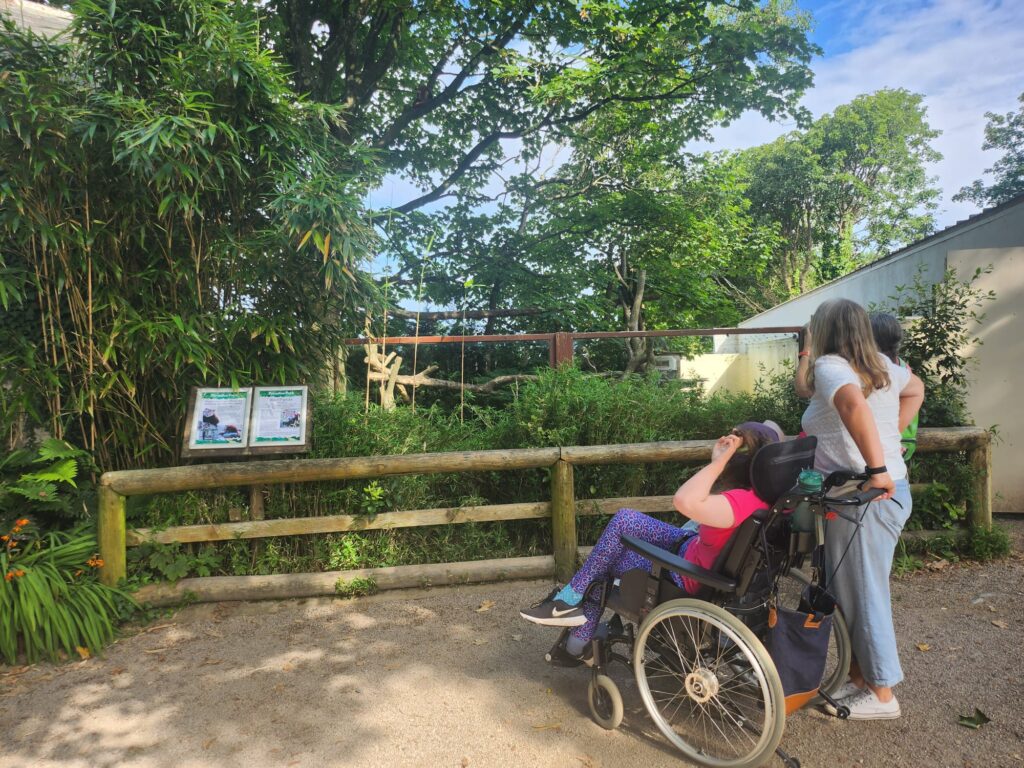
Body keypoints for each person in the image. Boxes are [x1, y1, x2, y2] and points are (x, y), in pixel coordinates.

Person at [519, 421, 783, 663]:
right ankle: (570, 603)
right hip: (692, 549)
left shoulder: (737, 504)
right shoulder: (768, 497)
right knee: (624, 520)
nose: (728, 442)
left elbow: (684, 501)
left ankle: (574, 639)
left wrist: (718, 463)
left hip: (686, 573)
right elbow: (772, 431)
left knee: (606, 567)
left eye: (737, 442)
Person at [797, 298, 924, 720]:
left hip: (868, 495)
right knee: (850, 592)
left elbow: (852, 405)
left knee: (865, 593)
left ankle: (883, 695)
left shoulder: (834, 365)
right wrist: (891, 433)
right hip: (870, 495)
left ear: (828, 330)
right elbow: (917, 387)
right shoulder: (878, 367)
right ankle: (859, 679)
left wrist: (878, 468)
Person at [795, 313, 919, 461]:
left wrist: (807, 349)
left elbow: (803, 388)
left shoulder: (862, 370)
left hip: (866, 454)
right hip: (902, 444)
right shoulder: (903, 368)